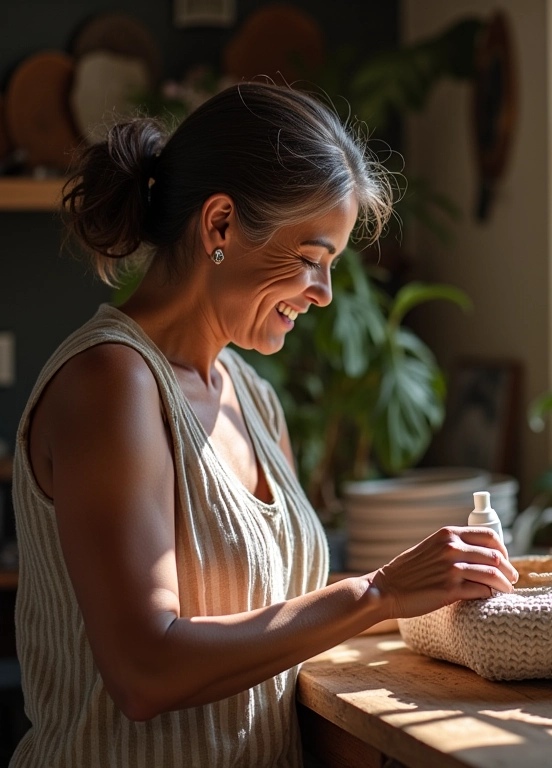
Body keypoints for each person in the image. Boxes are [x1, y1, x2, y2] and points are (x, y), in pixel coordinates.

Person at [10, 82, 518, 767]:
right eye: (311, 259)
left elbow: (280, 635)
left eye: (331, 266)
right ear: (220, 224)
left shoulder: (251, 395)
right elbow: (144, 672)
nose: (324, 293)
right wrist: (378, 593)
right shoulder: (112, 385)